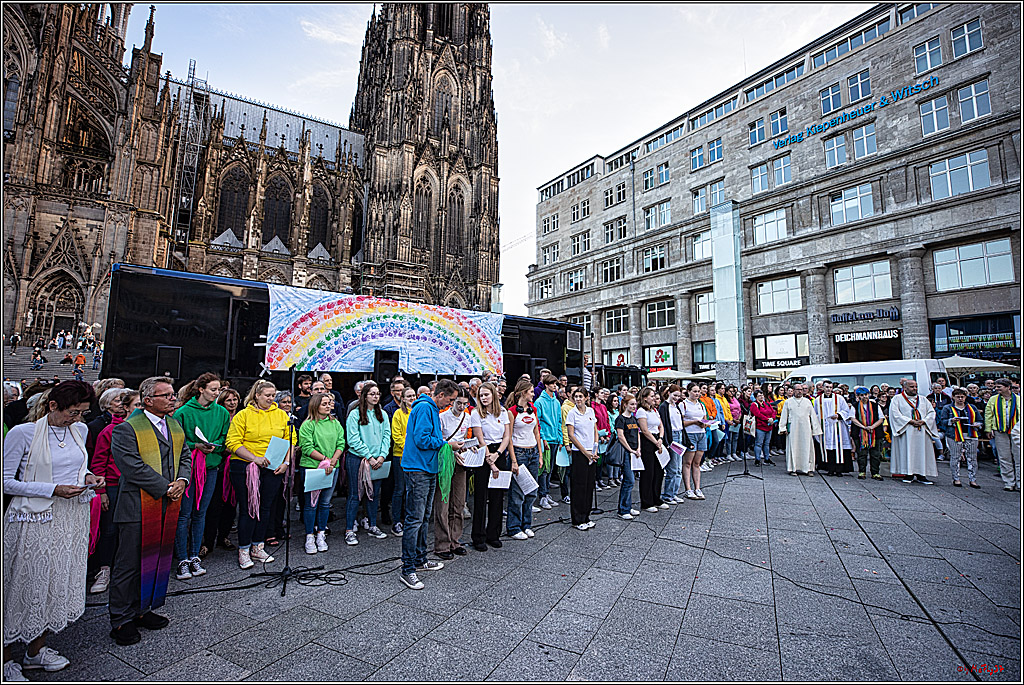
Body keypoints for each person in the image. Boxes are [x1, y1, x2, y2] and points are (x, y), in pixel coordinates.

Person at [3, 381, 101, 680]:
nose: (77, 419)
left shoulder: (80, 431)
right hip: (34, 518)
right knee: (25, 582)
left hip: (70, 516)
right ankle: (6, 656)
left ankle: (36, 649)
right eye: (72, 412)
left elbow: (75, 467)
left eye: (82, 413)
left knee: (55, 580)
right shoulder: (24, 433)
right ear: (53, 406)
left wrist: (88, 477)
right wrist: (52, 489)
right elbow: (6, 481)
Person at [107, 377, 192, 646]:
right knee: (129, 564)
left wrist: (182, 481)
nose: (172, 399)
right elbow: (131, 467)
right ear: (147, 401)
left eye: (172, 394)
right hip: (137, 506)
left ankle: (143, 609)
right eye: (165, 395)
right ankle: (121, 618)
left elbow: (185, 456)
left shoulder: (174, 424)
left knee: (156, 559)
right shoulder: (127, 429)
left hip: (168, 502)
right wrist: (165, 487)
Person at [224, 380, 295, 569]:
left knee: (265, 507)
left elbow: (291, 439)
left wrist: (286, 463)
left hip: (273, 467)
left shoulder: (282, 415)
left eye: (273, 395)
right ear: (257, 395)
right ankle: (244, 549)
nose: (272, 399)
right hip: (246, 466)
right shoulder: (243, 415)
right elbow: (232, 442)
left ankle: (258, 546)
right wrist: (254, 458)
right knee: (248, 508)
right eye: (268, 395)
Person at [399, 379, 461, 589]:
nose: (450, 404)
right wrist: (446, 444)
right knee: (415, 519)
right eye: (450, 399)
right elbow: (422, 439)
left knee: (424, 517)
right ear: (441, 394)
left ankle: (420, 559)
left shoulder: (430, 408)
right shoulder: (426, 408)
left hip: (427, 467)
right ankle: (408, 569)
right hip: (419, 468)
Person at [170, 373, 230, 580]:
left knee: (200, 513)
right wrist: (196, 445)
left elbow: (225, 435)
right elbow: (175, 442)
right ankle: (182, 559)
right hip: (188, 470)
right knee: (184, 514)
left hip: (211, 467)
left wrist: (215, 445)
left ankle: (195, 555)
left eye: (219, 389)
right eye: (213, 389)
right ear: (201, 389)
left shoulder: (221, 412)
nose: (216, 393)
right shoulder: (183, 413)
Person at [89, 389, 140, 594]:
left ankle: (126, 569)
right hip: (112, 485)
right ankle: (105, 570)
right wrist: (101, 492)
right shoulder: (109, 431)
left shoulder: (144, 429)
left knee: (130, 529)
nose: (141, 409)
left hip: (135, 486)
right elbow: (98, 463)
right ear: (126, 408)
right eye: (137, 405)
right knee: (109, 529)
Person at [344, 381, 391, 544]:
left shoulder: (383, 414)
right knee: (355, 495)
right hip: (358, 459)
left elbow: (386, 436)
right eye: (372, 393)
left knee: (374, 494)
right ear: (364, 396)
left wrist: (382, 456)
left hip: (378, 460)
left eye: (377, 394)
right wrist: (369, 457)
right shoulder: (355, 414)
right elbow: (353, 439)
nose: (375, 396)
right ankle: (349, 529)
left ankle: (372, 525)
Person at [298, 392, 345, 553]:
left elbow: (341, 442)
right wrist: (325, 459)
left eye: (329, 403)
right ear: (315, 405)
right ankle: (309, 535)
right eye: (324, 403)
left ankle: (321, 533)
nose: (328, 406)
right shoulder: (308, 424)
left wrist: (333, 460)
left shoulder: (335, 423)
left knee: (325, 502)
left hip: (332, 467)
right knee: (311, 503)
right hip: (312, 467)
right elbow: (306, 447)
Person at [434, 387, 478, 559]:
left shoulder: (468, 417)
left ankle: (455, 540)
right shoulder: (442, 417)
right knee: (443, 504)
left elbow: (466, 439)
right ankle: (442, 544)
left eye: (465, 404)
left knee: (458, 504)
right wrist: (452, 449)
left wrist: (470, 446)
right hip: (446, 460)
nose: (461, 407)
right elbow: (439, 440)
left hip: (461, 462)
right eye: (459, 403)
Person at [469, 382, 511, 550]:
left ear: (493, 394)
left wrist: (498, 454)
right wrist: (489, 459)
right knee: (480, 496)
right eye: (481, 395)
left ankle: (493, 533)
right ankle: (478, 537)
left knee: (497, 496)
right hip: (483, 454)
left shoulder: (503, 412)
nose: (483, 398)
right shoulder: (476, 413)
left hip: (499, 452)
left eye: (486, 394)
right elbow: (480, 439)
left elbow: (507, 436)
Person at [201, 387, 241, 556]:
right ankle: (208, 541)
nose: (232, 403)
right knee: (214, 505)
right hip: (219, 463)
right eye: (229, 400)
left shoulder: (241, 417)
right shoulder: (218, 416)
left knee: (231, 504)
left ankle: (223, 536)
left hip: (235, 464)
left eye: (235, 400)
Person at [506, 378, 543, 540]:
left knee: (531, 491)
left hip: (533, 452)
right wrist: (513, 460)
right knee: (517, 493)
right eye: (530, 391)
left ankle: (526, 524)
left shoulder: (533, 410)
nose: (533, 394)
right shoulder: (512, 411)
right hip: (519, 453)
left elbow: (536, 432)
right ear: (522, 393)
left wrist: (540, 454)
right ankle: (514, 527)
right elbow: (509, 437)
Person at [889, 380, 939, 485]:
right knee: (907, 451)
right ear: (905, 388)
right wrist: (909, 421)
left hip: (922, 430)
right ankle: (908, 473)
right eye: (912, 387)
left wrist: (924, 421)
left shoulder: (923, 399)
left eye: (916, 386)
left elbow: (931, 412)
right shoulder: (897, 399)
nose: (915, 389)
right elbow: (895, 414)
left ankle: (922, 474)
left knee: (922, 451)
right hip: (907, 430)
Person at [565, 388, 599, 530]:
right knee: (579, 486)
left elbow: (595, 430)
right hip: (580, 452)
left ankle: (586, 515)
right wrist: (585, 451)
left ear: (586, 397)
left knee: (589, 485)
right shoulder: (572, 413)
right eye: (576, 396)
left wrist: (595, 448)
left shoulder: (591, 411)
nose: (578, 399)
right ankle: (577, 518)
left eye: (581, 396)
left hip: (592, 452)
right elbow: (571, 435)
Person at [938, 388, 981, 488]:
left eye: (962, 397)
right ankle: (956, 478)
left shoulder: (972, 408)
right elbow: (942, 421)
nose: (960, 399)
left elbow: (980, 420)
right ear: (953, 397)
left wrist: (977, 424)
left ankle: (973, 479)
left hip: (970, 434)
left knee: (972, 458)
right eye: (958, 397)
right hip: (954, 435)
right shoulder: (948, 408)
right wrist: (951, 421)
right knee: (955, 457)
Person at [389, 385, 417, 536]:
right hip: (401, 455)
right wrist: (410, 447)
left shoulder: (418, 412)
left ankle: (409, 518)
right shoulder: (398, 414)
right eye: (409, 396)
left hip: (416, 457)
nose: (412, 398)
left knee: (411, 489)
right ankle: (396, 521)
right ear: (403, 399)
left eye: (413, 395)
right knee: (400, 489)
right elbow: (397, 436)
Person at [779, 384, 822, 476]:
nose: (800, 391)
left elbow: (813, 416)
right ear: (793, 390)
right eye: (798, 389)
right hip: (793, 428)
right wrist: (783, 428)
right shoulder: (788, 402)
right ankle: (793, 468)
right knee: (793, 447)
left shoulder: (807, 402)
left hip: (806, 429)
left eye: (801, 389)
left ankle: (809, 468)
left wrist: (815, 429)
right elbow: (784, 416)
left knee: (807, 448)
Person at [985, 378, 1020, 491]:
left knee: (1019, 457)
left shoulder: (1019, 399)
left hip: (1017, 432)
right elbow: (988, 414)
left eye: (999, 387)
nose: (996, 389)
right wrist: (988, 429)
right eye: (996, 387)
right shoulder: (993, 399)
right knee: (1004, 457)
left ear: (1007, 387)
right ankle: (1009, 482)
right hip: (1000, 430)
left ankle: (1020, 482)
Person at [635, 387, 667, 512]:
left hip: (657, 439)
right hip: (647, 441)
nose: (654, 398)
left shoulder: (654, 410)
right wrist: (655, 442)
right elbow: (644, 430)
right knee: (648, 472)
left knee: (659, 471)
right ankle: (647, 501)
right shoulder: (641, 411)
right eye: (651, 396)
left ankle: (656, 498)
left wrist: (660, 438)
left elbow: (661, 425)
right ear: (644, 398)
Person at [534, 375, 563, 510]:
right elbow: (538, 422)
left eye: (555, 384)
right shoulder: (539, 402)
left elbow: (558, 421)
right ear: (546, 385)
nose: (555, 386)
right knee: (544, 469)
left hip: (555, 439)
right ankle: (542, 495)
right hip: (545, 439)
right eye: (552, 384)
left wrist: (560, 438)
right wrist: (543, 438)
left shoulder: (556, 402)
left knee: (550, 468)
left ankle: (546, 493)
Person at [814, 380, 853, 477]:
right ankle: (830, 469)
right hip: (825, 427)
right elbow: (815, 414)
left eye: (830, 387)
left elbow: (846, 411)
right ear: (823, 388)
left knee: (838, 448)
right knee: (828, 448)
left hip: (838, 426)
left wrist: (839, 415)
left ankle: (839, 470)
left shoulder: (839, 398)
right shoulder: (818, 400)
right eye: (827, 387)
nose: (828, 389)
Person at [680, 383, 710, 499]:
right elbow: (681, 422)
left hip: (701, 434)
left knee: (697, 463)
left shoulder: (701, 405)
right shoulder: (683, 404)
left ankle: (697, 488)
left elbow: (705, 419)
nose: (697, 393)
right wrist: (694, 422)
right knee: (688, 462)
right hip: (690, 434)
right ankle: (688, 488)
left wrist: (705, 424)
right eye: (694, 391)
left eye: (698, 391)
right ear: (688, 391)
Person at [658, 384, 687, 504]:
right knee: (673, 468)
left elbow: (681, 423)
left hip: (679, 434)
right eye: (674, 395)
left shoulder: (676, 406)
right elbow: (664, 424)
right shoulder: (664, 406)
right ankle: (668, 494)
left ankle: (673, 493)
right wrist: (667, 441)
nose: (676, 398)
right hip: (672, 436)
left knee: (678, 468)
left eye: (678, 396)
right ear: (669, 393)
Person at [614, 394, 642, 519]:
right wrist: (630, 450)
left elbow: (638, 434)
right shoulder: (621, 419)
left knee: (630, 481)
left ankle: (628, 506)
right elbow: (621, 436)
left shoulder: (634, 419)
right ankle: (623, 509)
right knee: (629, 480)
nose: (634, 406)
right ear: (625, 405)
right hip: (626, 452)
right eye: (631, 404)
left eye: (635, 404)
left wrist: (638, 448)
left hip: (635, 452)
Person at [850, 387, 885, 480]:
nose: (864, 397)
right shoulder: (855, 405)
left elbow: (881, 419)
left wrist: (872, 427)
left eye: (866, 395)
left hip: (875, 432)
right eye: (862, 395)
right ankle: (862, 471)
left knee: (876, 454)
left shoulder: (875, 405)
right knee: (861, 453)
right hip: (860, 432)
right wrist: (864, 427)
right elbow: (853, 418)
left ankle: (875, 472)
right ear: (858, 396)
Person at [749, 390, 776, 467]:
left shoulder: (767, 404)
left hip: (769, 426)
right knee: (758, 443)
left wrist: (772, 419)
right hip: (760, 427)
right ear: (756, 397)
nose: (761, 397)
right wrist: (767, 419)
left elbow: (773, 411)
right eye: (759, 395)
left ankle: (767, 458)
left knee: (767, 444)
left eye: (762, 395)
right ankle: (757, 459)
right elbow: (758, 414)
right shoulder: (754, 405)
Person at [592, 388, 612, 489]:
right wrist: (600, 435)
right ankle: (595, 480)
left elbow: (607, 421)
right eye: (601, 393)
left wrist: (608, 435)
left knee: (602, 459)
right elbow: (594, 422)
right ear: (596, 394)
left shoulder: (603, 406)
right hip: (598, 436)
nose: (603, 394)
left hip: (605, 436)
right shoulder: (592, 406)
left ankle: (600, 479)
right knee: (597, 460)